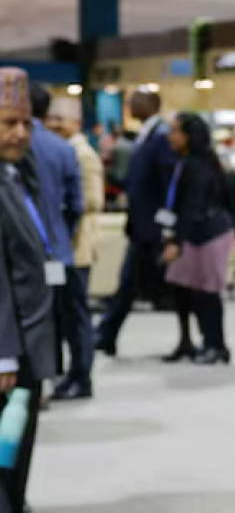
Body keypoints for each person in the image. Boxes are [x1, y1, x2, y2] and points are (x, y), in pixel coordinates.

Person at [0, 69, 61, 513]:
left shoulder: (18, 174)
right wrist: (3, 355)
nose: (20, 133)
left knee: (12, 455)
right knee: (5, 460)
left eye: (25, 123)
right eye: (8, 123)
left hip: (27, 341)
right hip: (8, 352)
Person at [96, 89, 175, 356]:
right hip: (140, 225)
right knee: (130, 284)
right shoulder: (144, 136)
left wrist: (166, 223)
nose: (131, 107)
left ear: (153, 104)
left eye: (136, 102)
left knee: (145, 283)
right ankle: (106, 335)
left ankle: (106, 333)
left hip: (151, 227)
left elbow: (167, 183)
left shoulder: (161, 137)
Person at [159, 113, 235, 365]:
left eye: (175, 131)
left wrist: (175, 242)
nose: (171, 137)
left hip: (207, 236)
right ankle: (188, 342)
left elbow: (193, 206)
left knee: (207, 292)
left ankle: (215, 345)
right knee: (183, 289)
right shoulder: (185, 163)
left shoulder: (199, 166)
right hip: (193, 235)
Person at [24, 85, 81, 401]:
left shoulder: (19, 147)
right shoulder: (61, 148)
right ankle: (54, 378)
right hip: (57, 250)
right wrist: (61, 233)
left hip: (25, 254)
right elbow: (76, 204)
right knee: (63, 317)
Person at [45, 98, 101, 401]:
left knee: (77, 314)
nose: (52, 124)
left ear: (74, 123)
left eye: (59, 119)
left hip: (77, 246)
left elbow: (92, 201)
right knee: (64, 314)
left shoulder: (82, 154)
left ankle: (82, 375)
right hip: (66, 246)